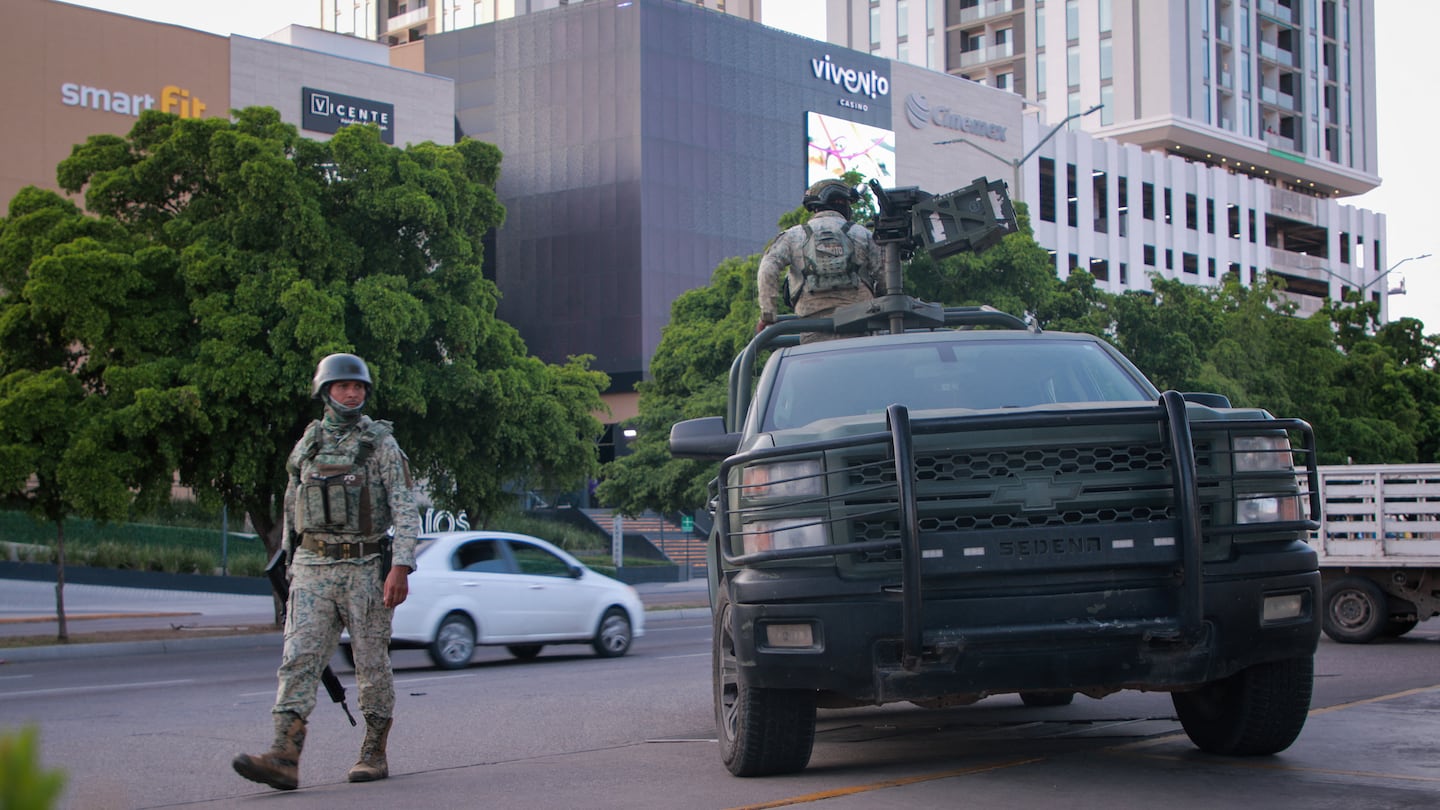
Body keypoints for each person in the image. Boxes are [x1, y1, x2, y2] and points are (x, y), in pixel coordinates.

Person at [233, 352, 421, 791]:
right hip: (312, 568)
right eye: (342, 386)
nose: (351, 393)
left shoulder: (381, 444)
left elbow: (405, 509)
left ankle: (374, 750)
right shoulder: (310, 443)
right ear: (325, 391)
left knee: (371, 666)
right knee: (298, 661)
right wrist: (288, 567)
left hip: (365, 568)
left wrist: (401, 567)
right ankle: (283, 756)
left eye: (358, 387)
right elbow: (290, 504)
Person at [756, 178, 884, 342]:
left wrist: (768, 315)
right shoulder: (863, 234)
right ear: (843, 203)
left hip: (812, 327)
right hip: (860, 323)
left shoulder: (793, 236)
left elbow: (767, 269)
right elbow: (885, 274)